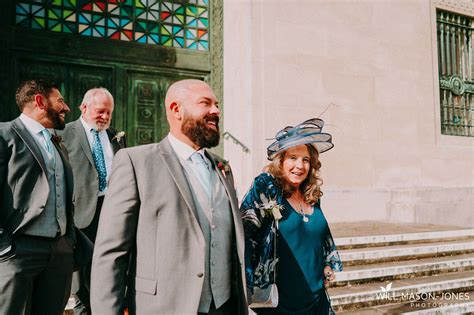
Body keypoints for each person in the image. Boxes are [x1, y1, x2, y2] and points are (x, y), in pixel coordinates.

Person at [90, 79, 247, 315]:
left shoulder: (222, 167)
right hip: (163, 307)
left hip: (224, 306)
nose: (216, 111)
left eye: (217, 104)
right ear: (176, 110)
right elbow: (111, 252)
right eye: (205, 103)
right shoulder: (136, 162)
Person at [240, 118, 342, 315]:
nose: (300, 166)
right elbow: (245, 235)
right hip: (280, 301)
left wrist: (326, 263)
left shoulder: (311, 195)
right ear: (281, 161)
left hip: (316, 297)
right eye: (293, 158)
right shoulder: (266, 187)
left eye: (305, 160)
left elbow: (318, 237)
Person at [0, 79, 76, 315]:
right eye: (61, 100)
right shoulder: (4, 134)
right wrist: (4, 248)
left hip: (58, 252)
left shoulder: (57, 143)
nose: (66, 108)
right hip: (17, 251)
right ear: (40, 101)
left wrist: (68, 241)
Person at [60, 87, 126, 315]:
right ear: (84, 107)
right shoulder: (65, 133)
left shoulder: (116, 136)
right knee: (81, 271)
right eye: (101, 112)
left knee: (108, 265)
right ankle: (82, 309)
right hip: (81, 212)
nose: (105, 117)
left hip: (112, 211)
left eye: (109, 113)